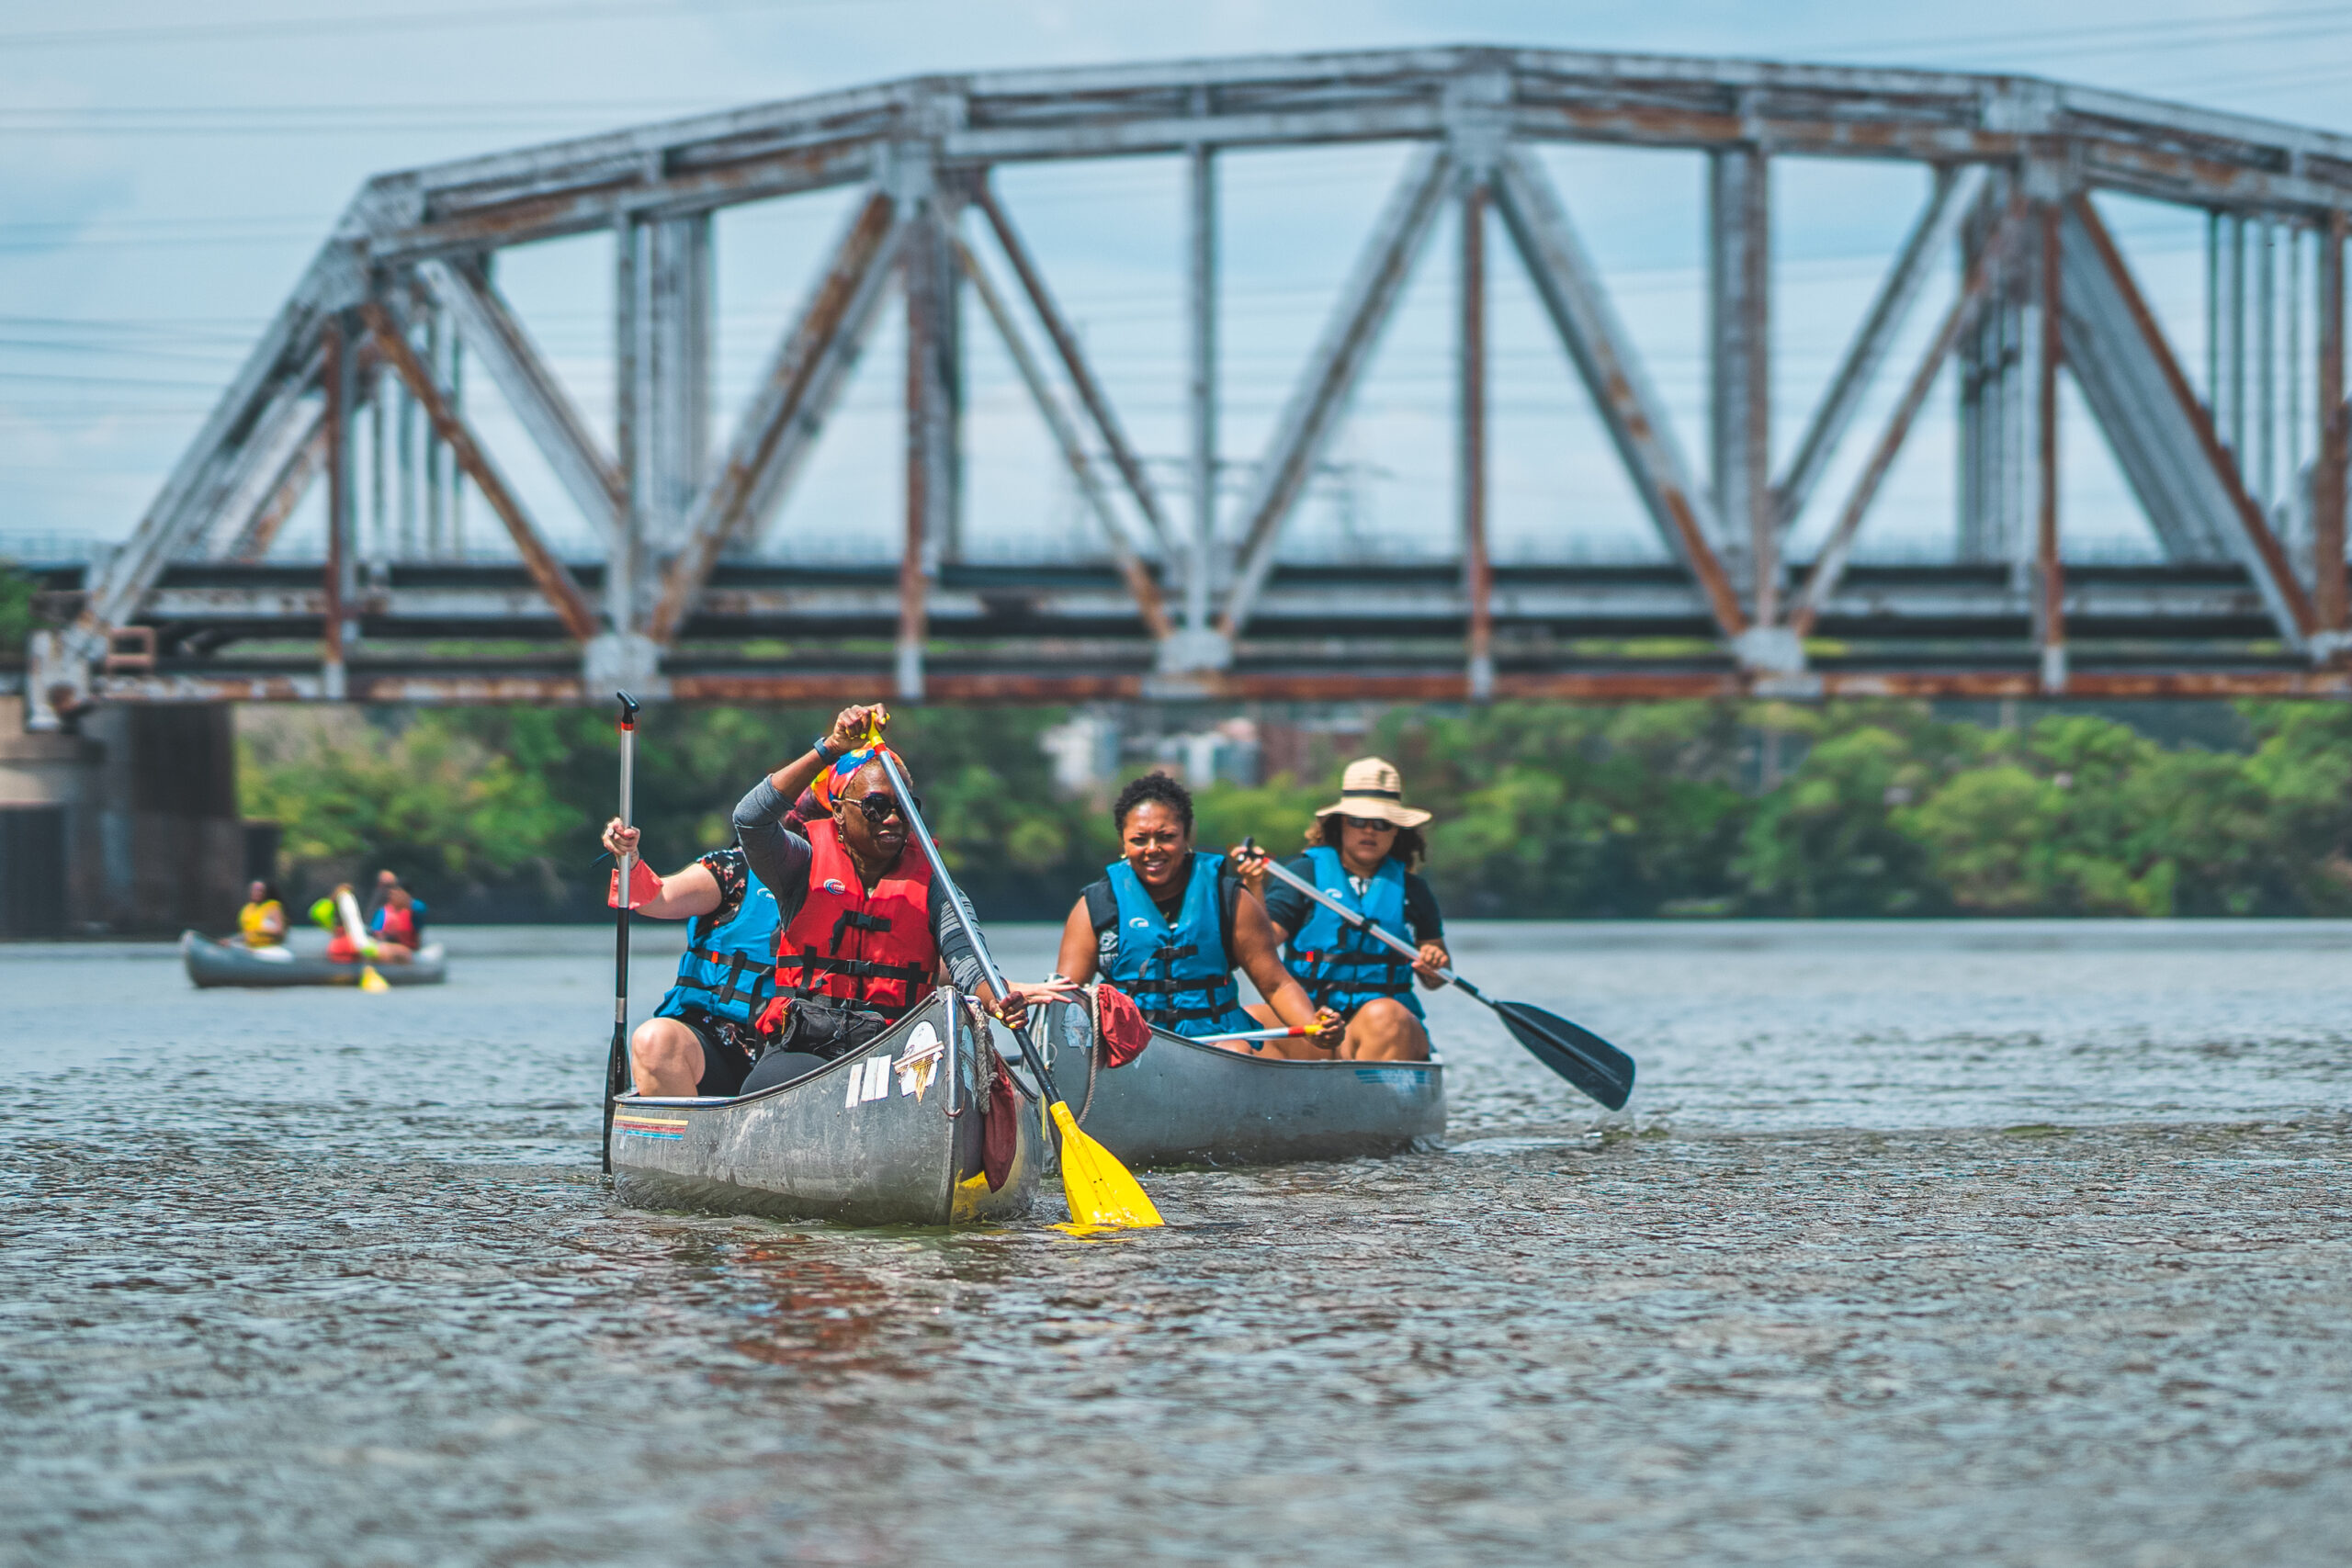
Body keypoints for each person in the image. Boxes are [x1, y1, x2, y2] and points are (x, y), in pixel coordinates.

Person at [703, 704, 1046, 1100]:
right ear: (839, 813)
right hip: (807, 1045)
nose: (893, 820)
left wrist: (997, 1001)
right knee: (764, 1087)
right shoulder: (801, 863)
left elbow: (969, 965)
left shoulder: (937, 887)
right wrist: (830, 747)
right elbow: (750, 819)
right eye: (877, 806)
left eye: (905, 809)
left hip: (899, 1050)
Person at [1049, 772, 1332, 1053]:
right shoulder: (1096, 906)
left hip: (1214, 1043)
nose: (1152, 849)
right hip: (1130, 1050)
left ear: (1188, 836)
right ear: (1123, 843)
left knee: (1236, 1048)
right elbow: (1067, 997)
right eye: (1139, 839)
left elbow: (1275, 984)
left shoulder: (1231, 899)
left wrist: (1313, 1026)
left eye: (1166, 836)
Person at [1235, 757, 1449, 1063]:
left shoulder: (1413, 890)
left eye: (1382, 824)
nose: (1370, 831)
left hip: (1382, 1029)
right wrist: (1253, 886)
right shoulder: (1303, 874)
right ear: (1341, 824)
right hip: (1312, 1023)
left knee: (1384, 1016)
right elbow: (1262, 945)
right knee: (1244, 1023)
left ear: (1397, 831)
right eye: (1359, 821)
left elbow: (1436, 976)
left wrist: (1435, 963)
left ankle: (1370, 1098)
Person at [596, 824, 782, 1100]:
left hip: (801, 1048)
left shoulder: (851, 880)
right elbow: (656, 898)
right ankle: (687, 1140)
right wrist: (629, 858)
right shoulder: (734, 870)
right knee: (655, 1039)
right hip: (717, 1043)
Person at [235, 880, 287, 947]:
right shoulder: (247, 909)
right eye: (255, 890)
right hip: (249, 948)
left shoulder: (272, 907)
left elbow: (279, 931)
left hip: (268, 948)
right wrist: (231, 940)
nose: (257, 893)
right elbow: (244, 934)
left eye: (260, 890)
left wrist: (258, 931)